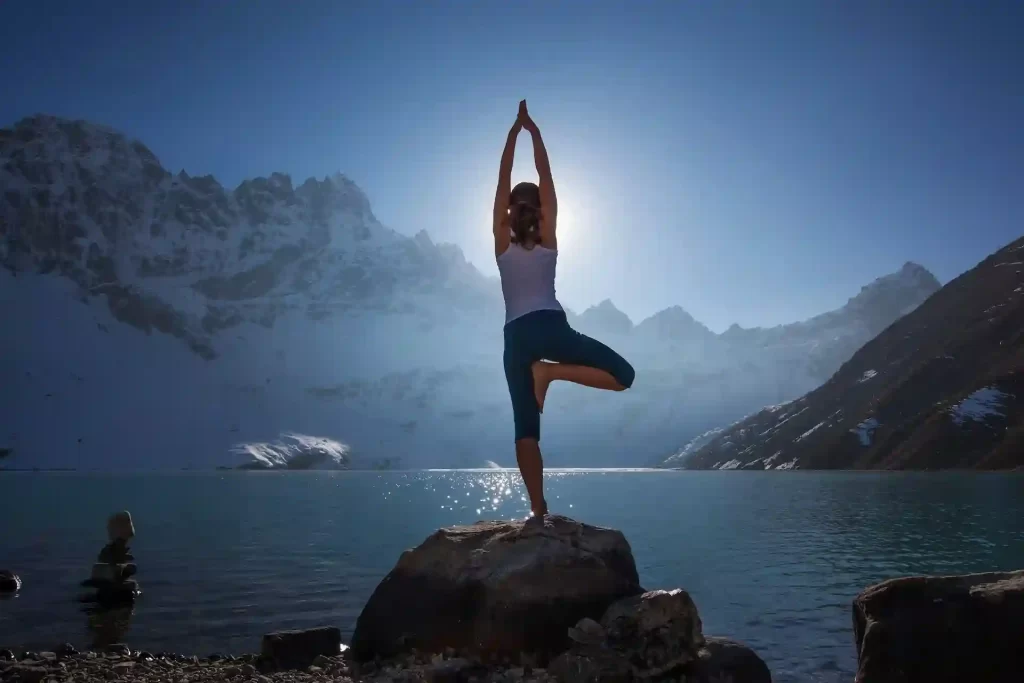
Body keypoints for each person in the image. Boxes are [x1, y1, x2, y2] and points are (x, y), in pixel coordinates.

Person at [494, 100, 635, 518]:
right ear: (540, 209)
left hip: (515, 336)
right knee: (623, 376)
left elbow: (502, 179)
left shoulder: (500, 238)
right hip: (552, 327)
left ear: (507, 210)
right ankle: (552, 371)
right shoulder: (550, 234)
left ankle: (538, 510)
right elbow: (546, 177)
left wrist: (510, 135)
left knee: (525, 429)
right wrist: (532, 132)